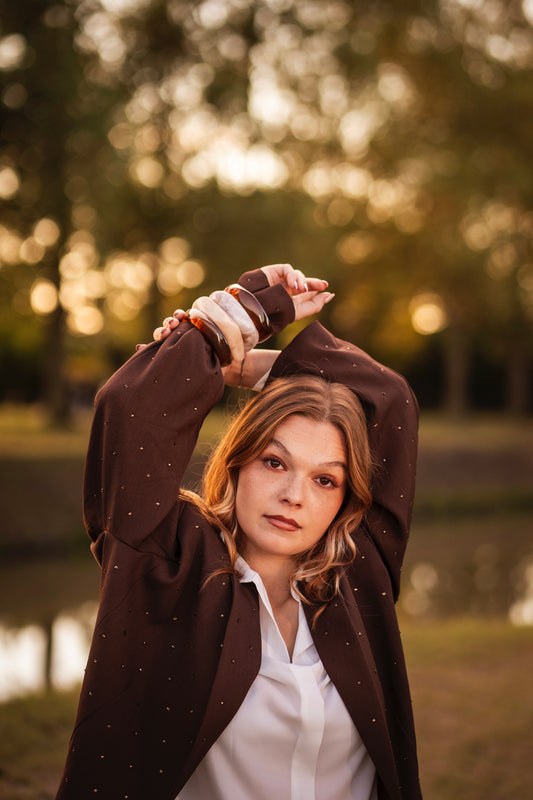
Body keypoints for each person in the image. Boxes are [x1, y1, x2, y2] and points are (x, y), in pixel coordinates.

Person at [56, 264, 421, 800]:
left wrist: (250, 368)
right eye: (275, 462)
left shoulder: (361, 574)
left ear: (347, 498)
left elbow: (392, 398)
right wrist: (246, 314)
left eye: (325, 479)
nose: (294, 495)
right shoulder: (167, 563)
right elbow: (133, 410)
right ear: (237, 464)